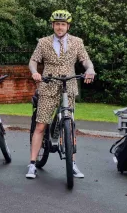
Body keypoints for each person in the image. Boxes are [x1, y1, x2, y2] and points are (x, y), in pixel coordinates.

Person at [26, 10, 95, 180]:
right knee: (41, 125)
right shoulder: (43, 42)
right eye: (57, 24)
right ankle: (32, 164)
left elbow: (85, 59)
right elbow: (33, 60)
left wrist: (90, 69)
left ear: (68, 26)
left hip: (69, 85)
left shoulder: (77, 42)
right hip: (48, 85)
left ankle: (72, 163)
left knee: (70, 125)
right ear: (52, 25)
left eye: (63, 24)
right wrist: (35, 72)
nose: (59, 27)